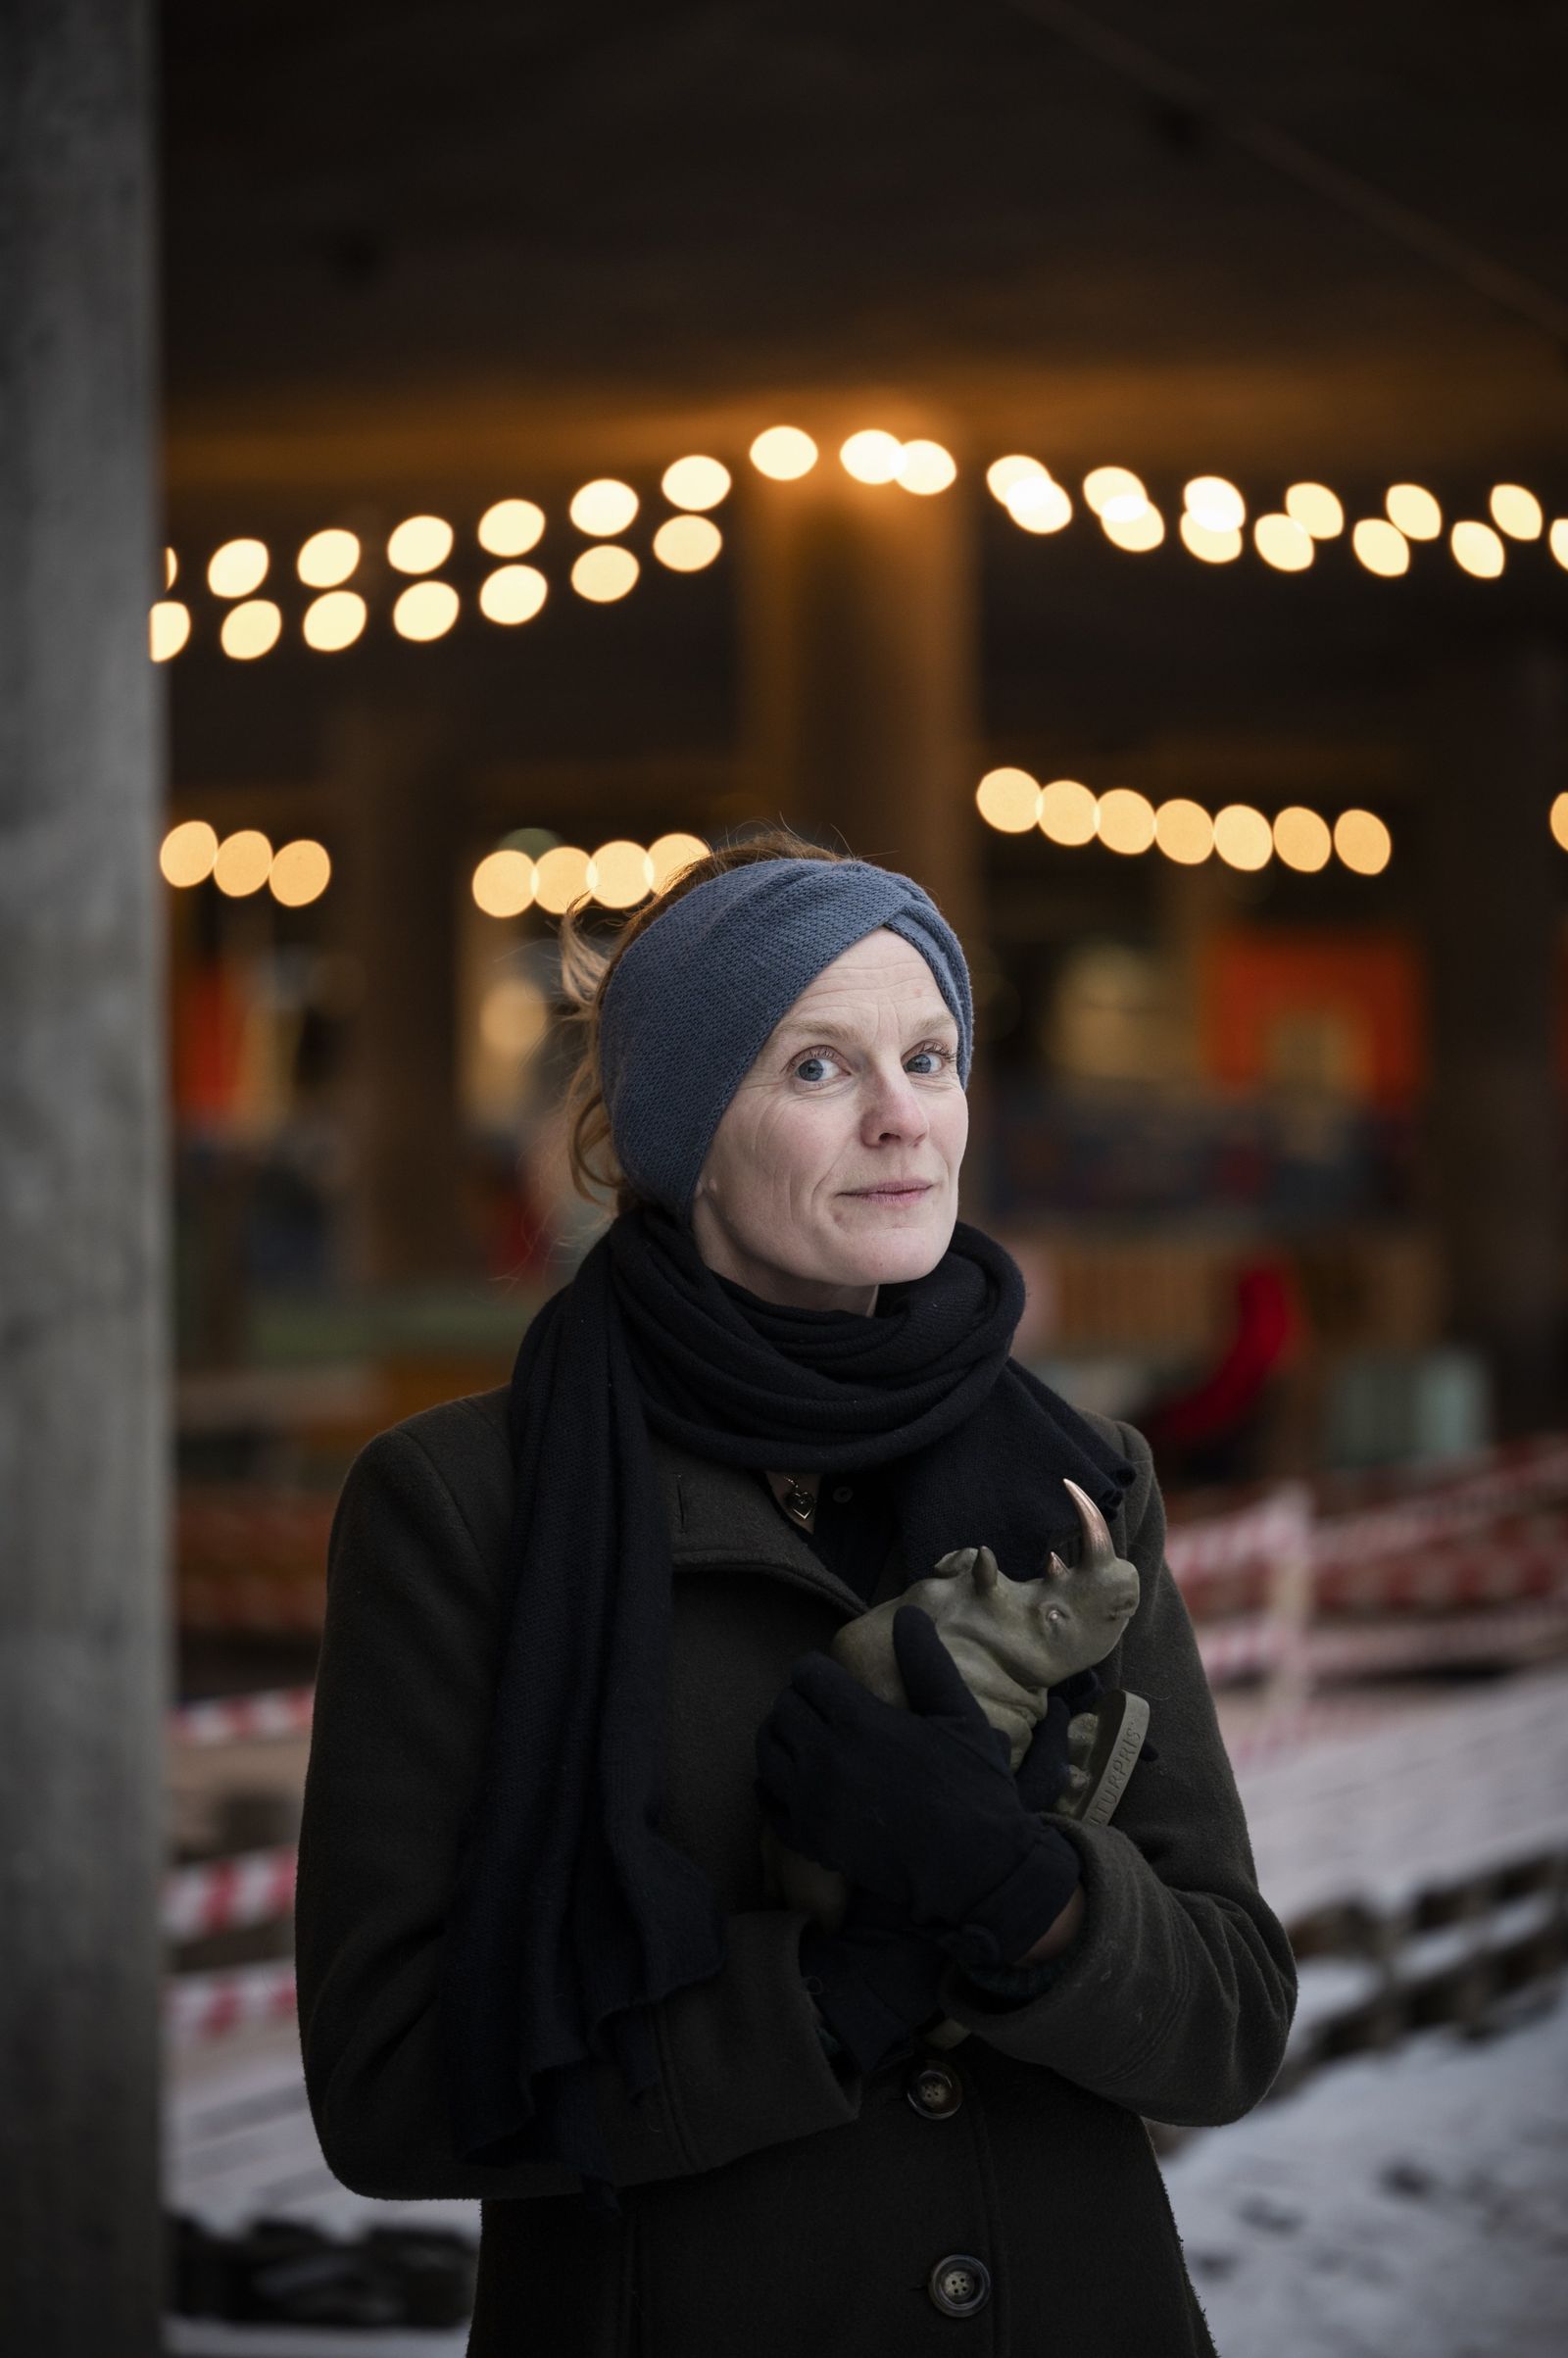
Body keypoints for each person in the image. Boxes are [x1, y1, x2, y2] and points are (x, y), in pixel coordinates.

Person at [295, 830, 1297, 2357]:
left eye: (930, 1057)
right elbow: (388, 2085)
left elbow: (1230, 2019)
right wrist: (818, 2002)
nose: (903, 1115)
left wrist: (1025, 1896)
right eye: (819, 1066)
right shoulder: (466, 1508)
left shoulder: (1080, 1484)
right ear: (683, 1127)